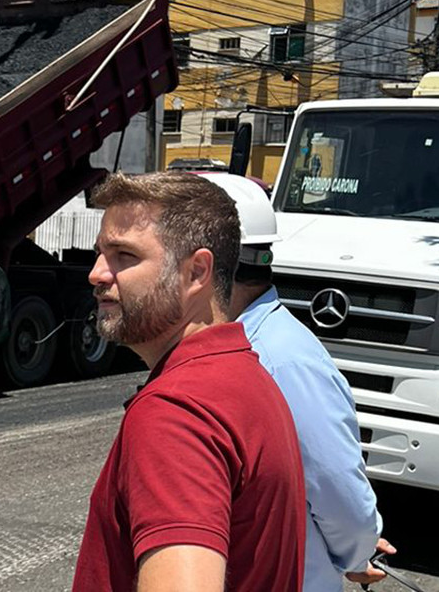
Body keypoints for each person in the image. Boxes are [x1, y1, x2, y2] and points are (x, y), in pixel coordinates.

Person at [72, 172, 305, 592]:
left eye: (124, 255)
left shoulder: (177, 414)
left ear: (196, 272)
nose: (96, 274)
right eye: (99, 253)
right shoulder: (243, 375)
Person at [199, 173, 394, 589]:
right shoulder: (247, 348)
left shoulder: (279, 360)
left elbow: (339, 490)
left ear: (205, 267)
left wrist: (357, 552)